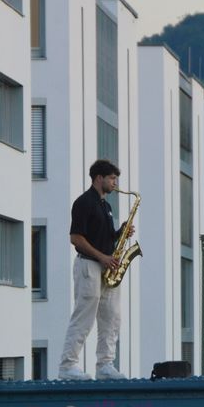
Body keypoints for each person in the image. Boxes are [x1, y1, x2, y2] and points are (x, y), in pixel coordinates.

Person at [59, 159, 133, 380]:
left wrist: (121, 233)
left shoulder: (106, 206)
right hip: (89, 266)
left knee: (112, 317)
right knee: (84, 317)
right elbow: (76, 238)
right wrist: (102, 257)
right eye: (112, 178)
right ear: (99, 178)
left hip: (106, 268)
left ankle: (105, 365)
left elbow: (104, 238)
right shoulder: (83, 202)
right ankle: (67, 366)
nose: (115, 182)